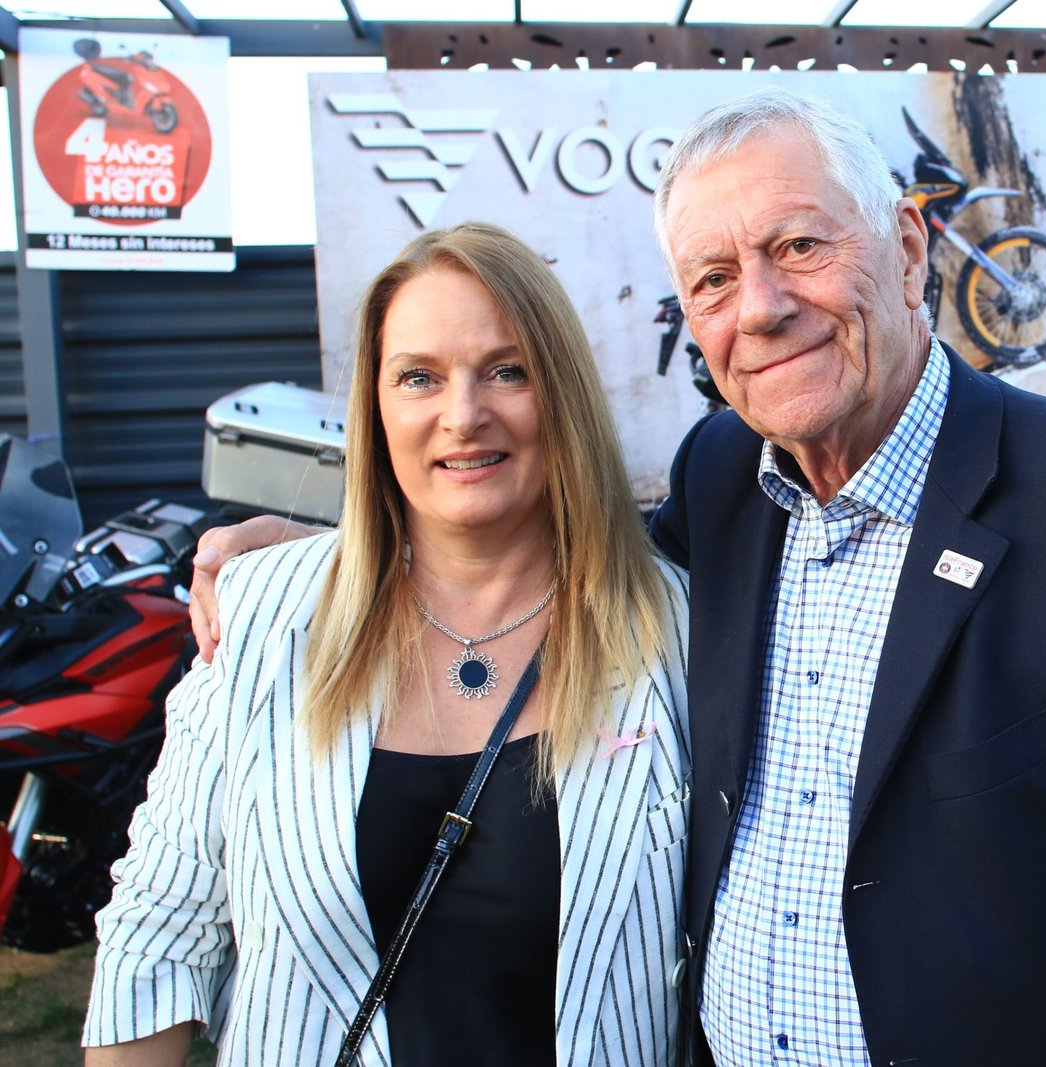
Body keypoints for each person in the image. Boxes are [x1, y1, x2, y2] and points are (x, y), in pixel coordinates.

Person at [191, 90, 1046, 1064]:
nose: (762, 308)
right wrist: (326, 551)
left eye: (798, 247)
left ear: (907, 248)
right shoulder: (723, 481)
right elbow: (547, 552)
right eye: (713, 278)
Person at [85, 222, 690, 1066]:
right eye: (418, 377)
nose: (463, 415)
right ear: (374, 406)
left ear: (563, 392)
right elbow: (159, 930)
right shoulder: (264, 616)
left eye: (507, 370)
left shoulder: (673, 629)